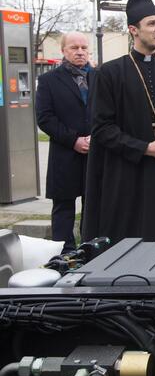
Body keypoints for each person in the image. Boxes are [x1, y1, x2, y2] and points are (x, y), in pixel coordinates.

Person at [83, 0, 155, 243]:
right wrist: (146, 148)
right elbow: (102, 128)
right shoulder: (109, 74)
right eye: (152, 24)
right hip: (127, 177)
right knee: (129, 242)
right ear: (133, 30)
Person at [35, 32, 94, 252]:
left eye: (83, 47)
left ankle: (90, 250)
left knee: (93, 208)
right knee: (63, 208)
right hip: (65, 155)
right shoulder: (50, 80)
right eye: (73, 47)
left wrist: (96, 138)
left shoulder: (99, 78)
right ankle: (63, 255)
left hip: (95, 155)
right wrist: (74, 140)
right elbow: (45, 118)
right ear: (63, 51)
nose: (80, 52)